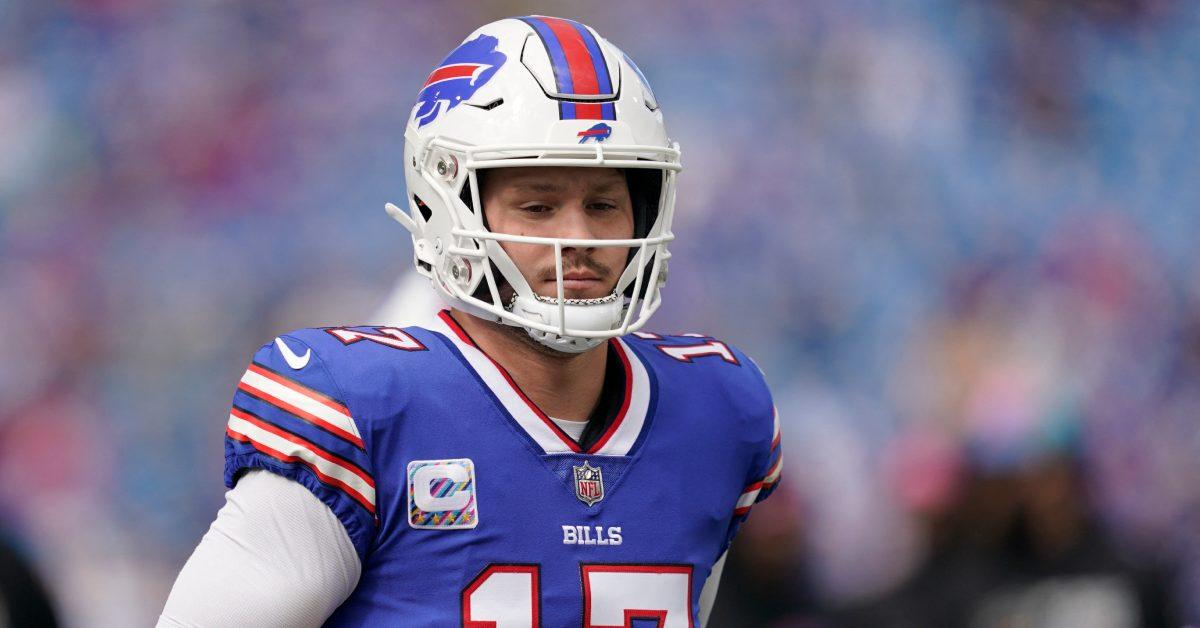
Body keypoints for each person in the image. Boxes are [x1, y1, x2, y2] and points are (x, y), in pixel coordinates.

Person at [159, 15, 782, 627]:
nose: (579, 237)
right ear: (448, 209)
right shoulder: (361, 408)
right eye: (537, 207)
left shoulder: (716, 411)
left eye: (603, 205)